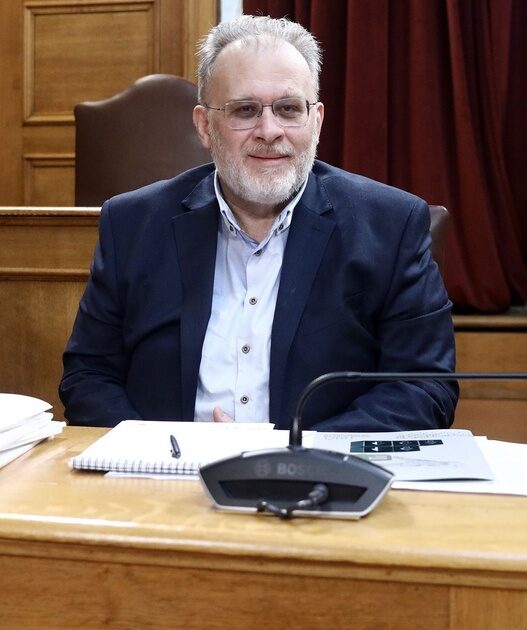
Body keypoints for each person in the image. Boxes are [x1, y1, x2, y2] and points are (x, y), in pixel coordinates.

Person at [60, 15, 458, 430]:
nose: (269, 131)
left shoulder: (392, 226)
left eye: (289, 109)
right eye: (245, 110)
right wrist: (163, 451)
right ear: (205, 126)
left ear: (317, 122)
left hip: (319, 468)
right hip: (166, 466)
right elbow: (89, 377)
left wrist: (290, 453)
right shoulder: (133, 225)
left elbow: (424, 387)